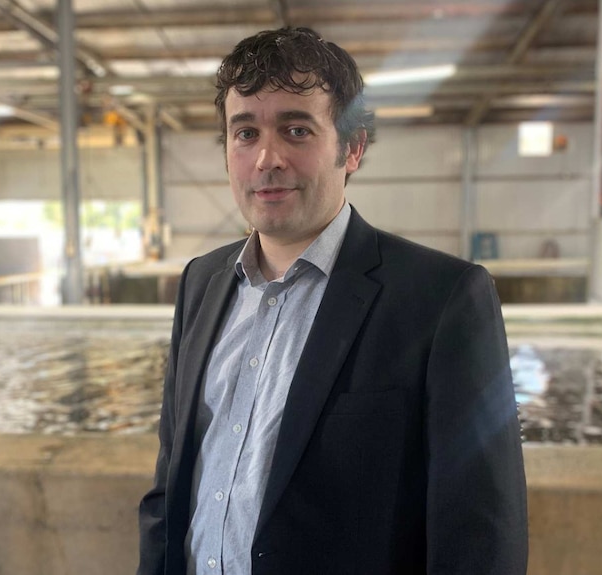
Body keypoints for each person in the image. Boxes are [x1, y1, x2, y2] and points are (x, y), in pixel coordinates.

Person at [138, 27, 528, 575]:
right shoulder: (201, 282)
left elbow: (479, 529)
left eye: (296, 129)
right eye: (244, 132)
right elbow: (169, 485)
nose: (266, 157)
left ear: (353, 148)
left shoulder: (441, 299)